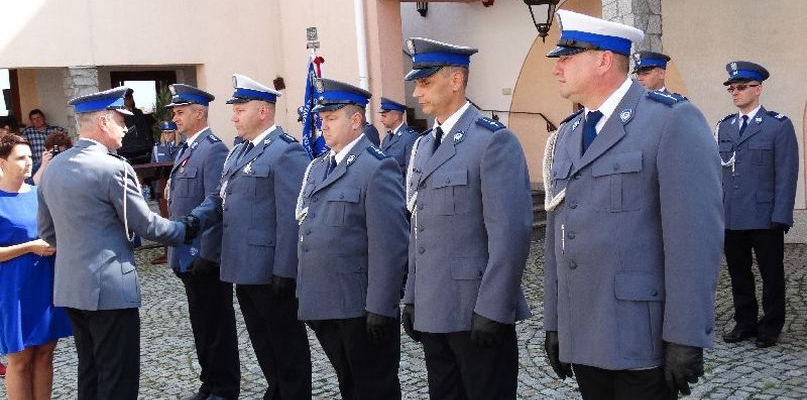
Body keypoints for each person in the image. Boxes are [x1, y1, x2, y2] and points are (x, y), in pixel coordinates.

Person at [542, 10, 723, 400]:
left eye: (567, 57)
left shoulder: (669, 121)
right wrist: (557, 321)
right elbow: (558, 236)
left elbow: (694, 241)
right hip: (586, 329)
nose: (557, 68)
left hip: (640, 335)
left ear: (604, 59)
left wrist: (685, 335)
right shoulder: (568, 134)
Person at [37, 87, 199, 400]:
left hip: (71, 287)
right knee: (118, 377)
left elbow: (47, 231)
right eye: (121, 121)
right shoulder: (114, 167)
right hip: (110, 289)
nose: (126, 129)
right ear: (103, 122)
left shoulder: (53, 167)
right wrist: (187, 228)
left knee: (91, 372)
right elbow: (147, 224)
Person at [401, 37, 533, 400]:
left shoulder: (491, 141)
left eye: (425, 82)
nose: (416, 94)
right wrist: (412, 296)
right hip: (435, 307)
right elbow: (419, 228)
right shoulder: (424, 145)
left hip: (475, 310)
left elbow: (511, 234)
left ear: (456, 80)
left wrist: (494, 307)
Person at [190, 74, 312, 400]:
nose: (233, 115)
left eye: (240, 108)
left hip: (271, 271)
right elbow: (219, 199)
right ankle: (276, 392)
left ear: (262, 112)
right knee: (263, 342)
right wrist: (193, 222)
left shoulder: (287, 153)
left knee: (287, 347)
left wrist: (286, 270)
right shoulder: (238, 152)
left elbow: (293, 217)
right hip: (242, 267)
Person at [295, 79, 408, 399]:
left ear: (356, 120)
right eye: (321, 120)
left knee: (374, 386)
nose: (323, 126)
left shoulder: (376, 168)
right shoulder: (319, 167)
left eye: (331, 119)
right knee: (349, 384)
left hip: (360, 306)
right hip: (327, 301)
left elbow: (390, 245)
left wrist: (381, 306)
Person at [164, 84, 239, 400]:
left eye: (181, 112)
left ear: (200, 113)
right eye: (175, 112)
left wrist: (208, 254)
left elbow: (216, 205)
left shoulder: (213, 150)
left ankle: (223, 387)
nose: (175, 118)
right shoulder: (186, 149)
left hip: (203, 257)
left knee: (216, 325)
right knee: (201, 325)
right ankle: (209, 382)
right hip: (185, 255)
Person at [717, 61, 798, 349]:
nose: (735, 92)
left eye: (741, 87)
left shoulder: (778, 126)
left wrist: (782, 214)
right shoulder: (725, 126)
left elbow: (787, 173)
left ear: (758, 89)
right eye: (732, 88)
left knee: (771, 273)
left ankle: (771, 325)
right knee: (739, 273)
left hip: (765, 216)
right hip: (731, 214)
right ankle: (745, 321)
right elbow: (720, 173)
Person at [0, 134, 72, 400]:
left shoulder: (39, 194)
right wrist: (29, 247)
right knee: (19, 361)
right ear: (2, 162)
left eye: (30, 157)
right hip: (12, 290)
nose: (28, 163)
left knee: (44, 355)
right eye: (20, 158)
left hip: (45, 283)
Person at [378, 97, 419, 178]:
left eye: (384, 116)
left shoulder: (410, 137)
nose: (381, 120)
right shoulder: (387, 139)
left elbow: (410, 171)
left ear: (396, 117)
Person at [20, 109, 67, 175]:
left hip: (54, 165)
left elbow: (69, 139)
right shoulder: (27, 132)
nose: (37, 120)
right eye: (34, 119)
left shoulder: (56, 130)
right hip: (36, 167)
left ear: (43, 117)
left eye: (39, 117)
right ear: (31, 121)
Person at [119, 88, 157, 164]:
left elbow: (146, 129)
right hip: (126, 151)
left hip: (142, 149)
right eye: (126, 99)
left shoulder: (138, 112)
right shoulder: (119, 114)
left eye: (130, 98)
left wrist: (149, 145)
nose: (129, 101)